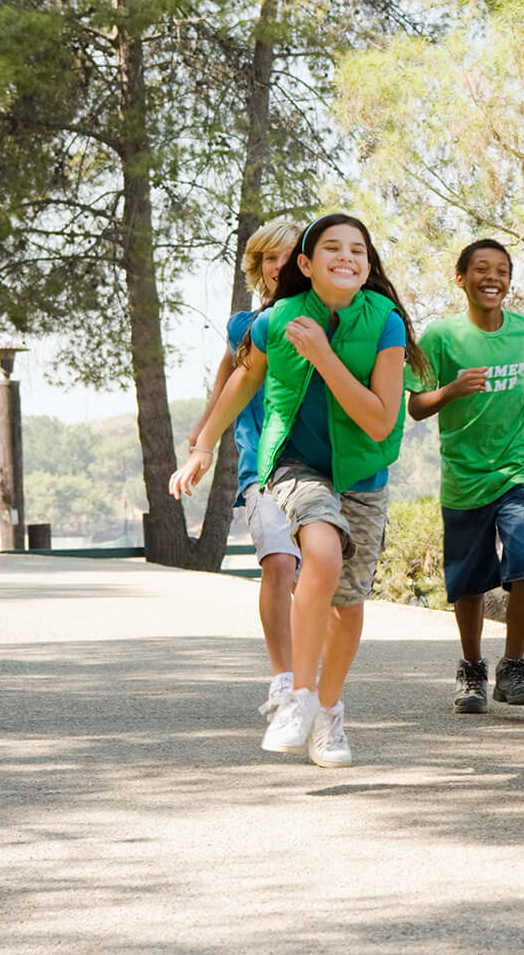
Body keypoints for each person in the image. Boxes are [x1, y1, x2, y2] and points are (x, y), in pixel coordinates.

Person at [172, 213, 425, 769]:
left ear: (368, 264)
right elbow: (243, 380)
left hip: (363, 473)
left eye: (358, 249)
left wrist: (325, 358)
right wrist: (204, 446)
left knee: (349, 605)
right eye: (331, 248)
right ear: (305, 266)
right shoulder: (276, 319)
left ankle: (328, 713)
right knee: (321, 554)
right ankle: (298, 697)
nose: (347, 257)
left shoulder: (385, 324)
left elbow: (382, 421)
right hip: (294, 464)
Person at [404, 238, 524, 714]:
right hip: (464, 477)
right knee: (468, 583)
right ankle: (471, 669)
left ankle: (512, 667)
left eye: (502, 271)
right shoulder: (440, 337)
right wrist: (451, 388)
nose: (494, 278)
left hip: (519, 470)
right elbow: (415, 405)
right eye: (482, 270)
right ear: (461, 278)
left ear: (510, 280)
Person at [176, 218, 303, 721]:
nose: (280, 266)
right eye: (270, 258)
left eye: (290, 255)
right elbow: (231, 377)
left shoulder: (322, 322)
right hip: (262, 467)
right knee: (277, 564)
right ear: (258, 268)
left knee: (319, 580)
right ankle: (284, 681)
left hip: (322, 467)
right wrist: (203, 436)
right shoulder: (243, 326)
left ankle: (314, 679)